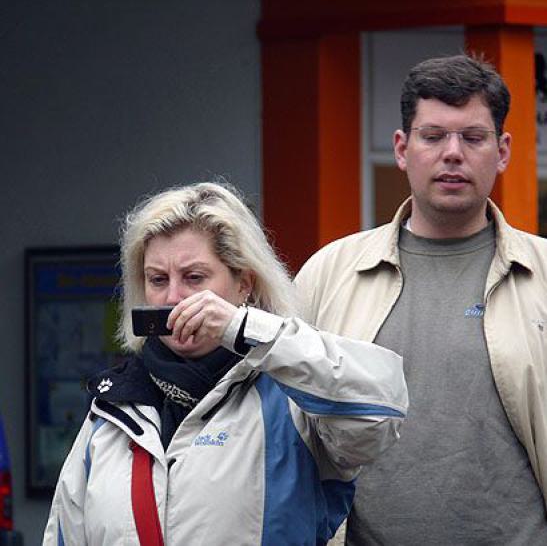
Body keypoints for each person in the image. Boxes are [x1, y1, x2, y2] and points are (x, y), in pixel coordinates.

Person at [42, 182, 407, 545]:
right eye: (157, 280)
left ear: (244, 284)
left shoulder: (291, 397)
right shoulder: (111, 408)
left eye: (194, 277)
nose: (173, 297)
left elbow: (380, 411)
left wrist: (245, 328)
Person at [295, 54, 547, 545]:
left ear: (502, 151)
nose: (453, 153)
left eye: (473, 137)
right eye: (432, 136)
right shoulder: (329, 274)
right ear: (402, 148)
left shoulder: (542, 275)